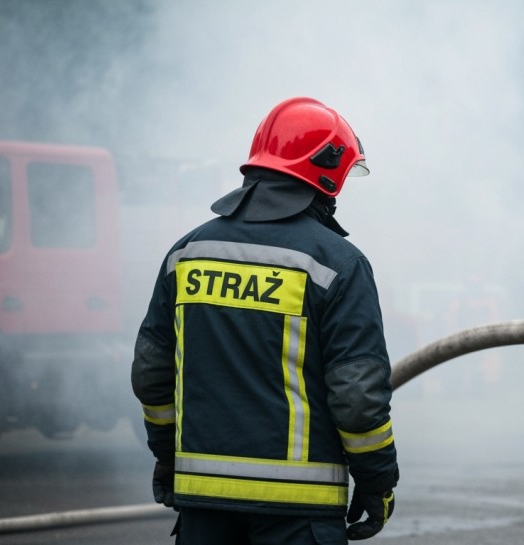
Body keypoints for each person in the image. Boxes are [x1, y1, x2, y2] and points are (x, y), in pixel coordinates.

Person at [131, 97, 398, 544]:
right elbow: (357, 398)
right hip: (300, 514)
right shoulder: (337, 265)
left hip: (202, 506)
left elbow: (151, 372)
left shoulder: (187, 254)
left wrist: (167, 454)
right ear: (327, 169)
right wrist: (377, 482)